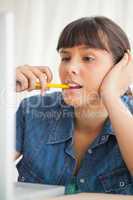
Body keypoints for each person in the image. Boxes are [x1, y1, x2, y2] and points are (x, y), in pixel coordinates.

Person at [15, 16, 133, 195]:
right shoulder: (31, 110)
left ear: (121, 67)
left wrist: (110, 95)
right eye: (65, 57)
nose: (70, 68)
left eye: (87, 58)